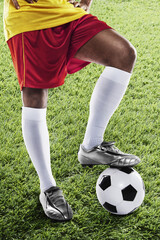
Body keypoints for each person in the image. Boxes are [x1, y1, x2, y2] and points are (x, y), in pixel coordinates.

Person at [3, 0, 140, 222]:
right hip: (29, 18)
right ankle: (48, 187)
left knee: (123, 54)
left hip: (66, 11)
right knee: (35, 96)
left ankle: (91, 146)